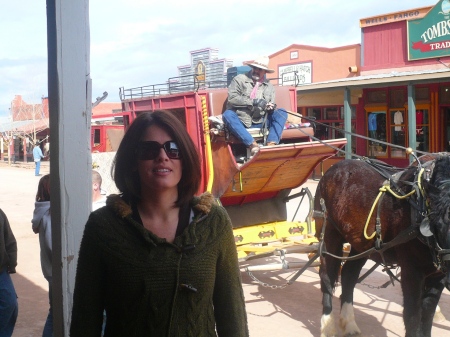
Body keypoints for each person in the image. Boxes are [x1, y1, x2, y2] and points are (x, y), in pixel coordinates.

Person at [70, 110, 248, 336]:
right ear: (133, 161)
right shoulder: (104, 227)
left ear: (185, 159)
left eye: (174, 149)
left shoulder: (213, 222)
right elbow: (85, 319)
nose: (163, 157)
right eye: (149, 149)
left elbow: (232, 313)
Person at [222, 55, 288, 156]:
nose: (257, 71)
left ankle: (271, 144)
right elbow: (232, 99)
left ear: (265, 72)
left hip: (262, 121)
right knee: (227, 115)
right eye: (255, 68)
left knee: (282, 112)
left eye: (260, 69)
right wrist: (254, 101)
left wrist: (270, 108)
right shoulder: (239, 80)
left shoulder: (269, 86)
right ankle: (253, 145)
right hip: (242, 121)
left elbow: (271, 103)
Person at [31, 174, 53, 337]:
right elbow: (53, 246)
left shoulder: (42, 210)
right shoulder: (49, 214)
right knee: (56, 313)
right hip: (57, 271)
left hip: (51, 270)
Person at [0, 208, 18, 337]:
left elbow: (9, 239)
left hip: (1, 271)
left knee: (10, 304)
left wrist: (12, 261)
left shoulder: (0, 214)